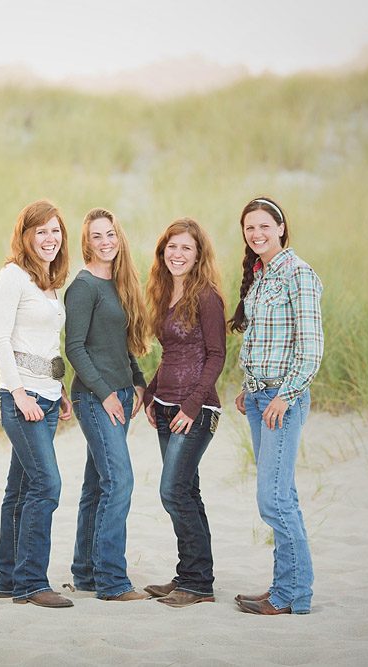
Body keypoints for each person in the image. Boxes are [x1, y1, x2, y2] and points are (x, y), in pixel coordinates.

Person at [229, 196, 323, 615]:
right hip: (259, 398)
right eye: (250, 227)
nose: (257, 233)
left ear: (282, 228)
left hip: (282, 401)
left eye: (265, 225)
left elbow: (310, 349)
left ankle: (294, 594)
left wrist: (284, 395)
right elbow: (260, 340)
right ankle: (283, 588)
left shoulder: (299, 275)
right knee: (284, 496)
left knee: (273, 501)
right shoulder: (262, 275)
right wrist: (249, 387)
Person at [141, 218, 227, 608]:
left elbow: (216, 356)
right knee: (187, 491)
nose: (177, 254)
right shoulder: (163, 293)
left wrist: (192, 405)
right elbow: (171, 353)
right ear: (163, 251)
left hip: (196, 408)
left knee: (172, 490)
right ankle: (192, 577)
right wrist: (152, 392)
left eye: (186, 249)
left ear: (198, 256)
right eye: (171, 247)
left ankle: (197, 583)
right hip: (165, 405)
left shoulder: (207, 297)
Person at [0, 199, 74, 608]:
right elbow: (0, 340)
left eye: (55, 231)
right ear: (25, 236)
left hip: (47, 394)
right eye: (41, 231)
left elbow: (46, 344)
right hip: (19, 397)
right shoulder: (13, 276)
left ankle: (9, 576)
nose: (49, 238)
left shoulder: (50, 282)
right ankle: (31, 582)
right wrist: (19, 392)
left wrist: (59, 390)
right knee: (47, 485)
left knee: (21, 486)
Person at [64, 207, 149, 601]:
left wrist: (137, 380)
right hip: (95, 398)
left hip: (120, 393)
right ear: (87, 242)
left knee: (97, 485)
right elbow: (75, 349)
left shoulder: (117, 283)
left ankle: (85, 572)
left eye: (111, 234)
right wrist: (107, 393)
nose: (106, 242)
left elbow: (119, 343)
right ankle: (112, 581)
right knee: (120, 482)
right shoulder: (83, 287)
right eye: (97, 236)